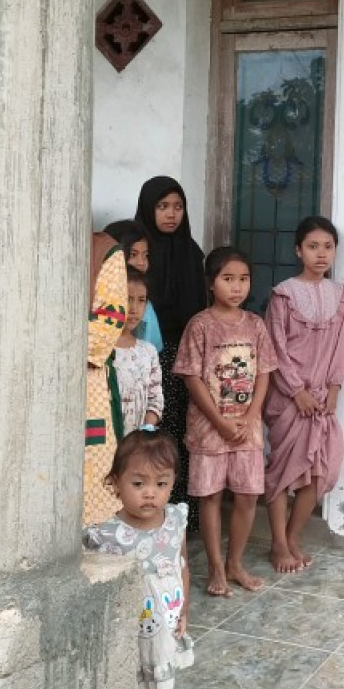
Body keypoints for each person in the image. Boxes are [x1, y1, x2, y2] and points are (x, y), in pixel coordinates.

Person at [174, 246, 272, 597]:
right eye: (228, 279)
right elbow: (191, 378)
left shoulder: (256, 325)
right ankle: (216, 568)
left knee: (247, 496)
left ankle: (235, 564)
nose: (237, 287)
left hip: (247, 428)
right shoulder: (200, 325)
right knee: (211, 496)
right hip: (209, 428)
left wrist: (249, 416)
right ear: (211, 283)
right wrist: (218, 421)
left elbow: (263, 374)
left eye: (243, 279)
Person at [263, 216, 344, 574]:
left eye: (327, 247)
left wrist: (333, 388)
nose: (321, 254)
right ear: (298, 250)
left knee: (320, 471)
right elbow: (275, 347)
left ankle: (294, 536)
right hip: (289, 399)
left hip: (321, 400)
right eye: (313, 246)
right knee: (283, 472)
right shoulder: (283, 294)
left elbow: (338, 345)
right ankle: (278, 544)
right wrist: (296, 390)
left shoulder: (339, 294)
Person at [84, 430, 194, 689]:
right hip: (127, 632)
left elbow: (182, 567)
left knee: (154, 685)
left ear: (172, 483)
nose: (150, 494)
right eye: (138, 484)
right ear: (116, 482)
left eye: (161, 484)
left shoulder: (175, 520)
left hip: (163, 626)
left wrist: (184, 610)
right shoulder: (107, 536)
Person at [134, 177, 207, 519]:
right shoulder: (137, 251)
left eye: (178, 207)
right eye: (163, 206)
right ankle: (143, 508)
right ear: (149, 208)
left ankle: (180, 511)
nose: (171, 214)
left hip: (185, 354)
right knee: (150, 431)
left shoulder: (191, 253)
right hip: (145, 353)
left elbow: (199, 307)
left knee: (182, 433)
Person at [85, 231, 128, 526]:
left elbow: (107, 322)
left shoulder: (104, 250)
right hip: (24, 382)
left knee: (92, 467)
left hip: (87, 382)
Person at [115, 268, 165, 437]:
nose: (134, 309)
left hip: (136, 443)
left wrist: (146, 430)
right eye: (127, 299)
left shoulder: (148, 351)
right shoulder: (101, 350)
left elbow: (155, 397)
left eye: (141, 300)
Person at [105, 219, 164, 351]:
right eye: (133, 254)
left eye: (146, 255)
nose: (141, 263)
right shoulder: (97, 298)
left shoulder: (146, 306)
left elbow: (153, 350)